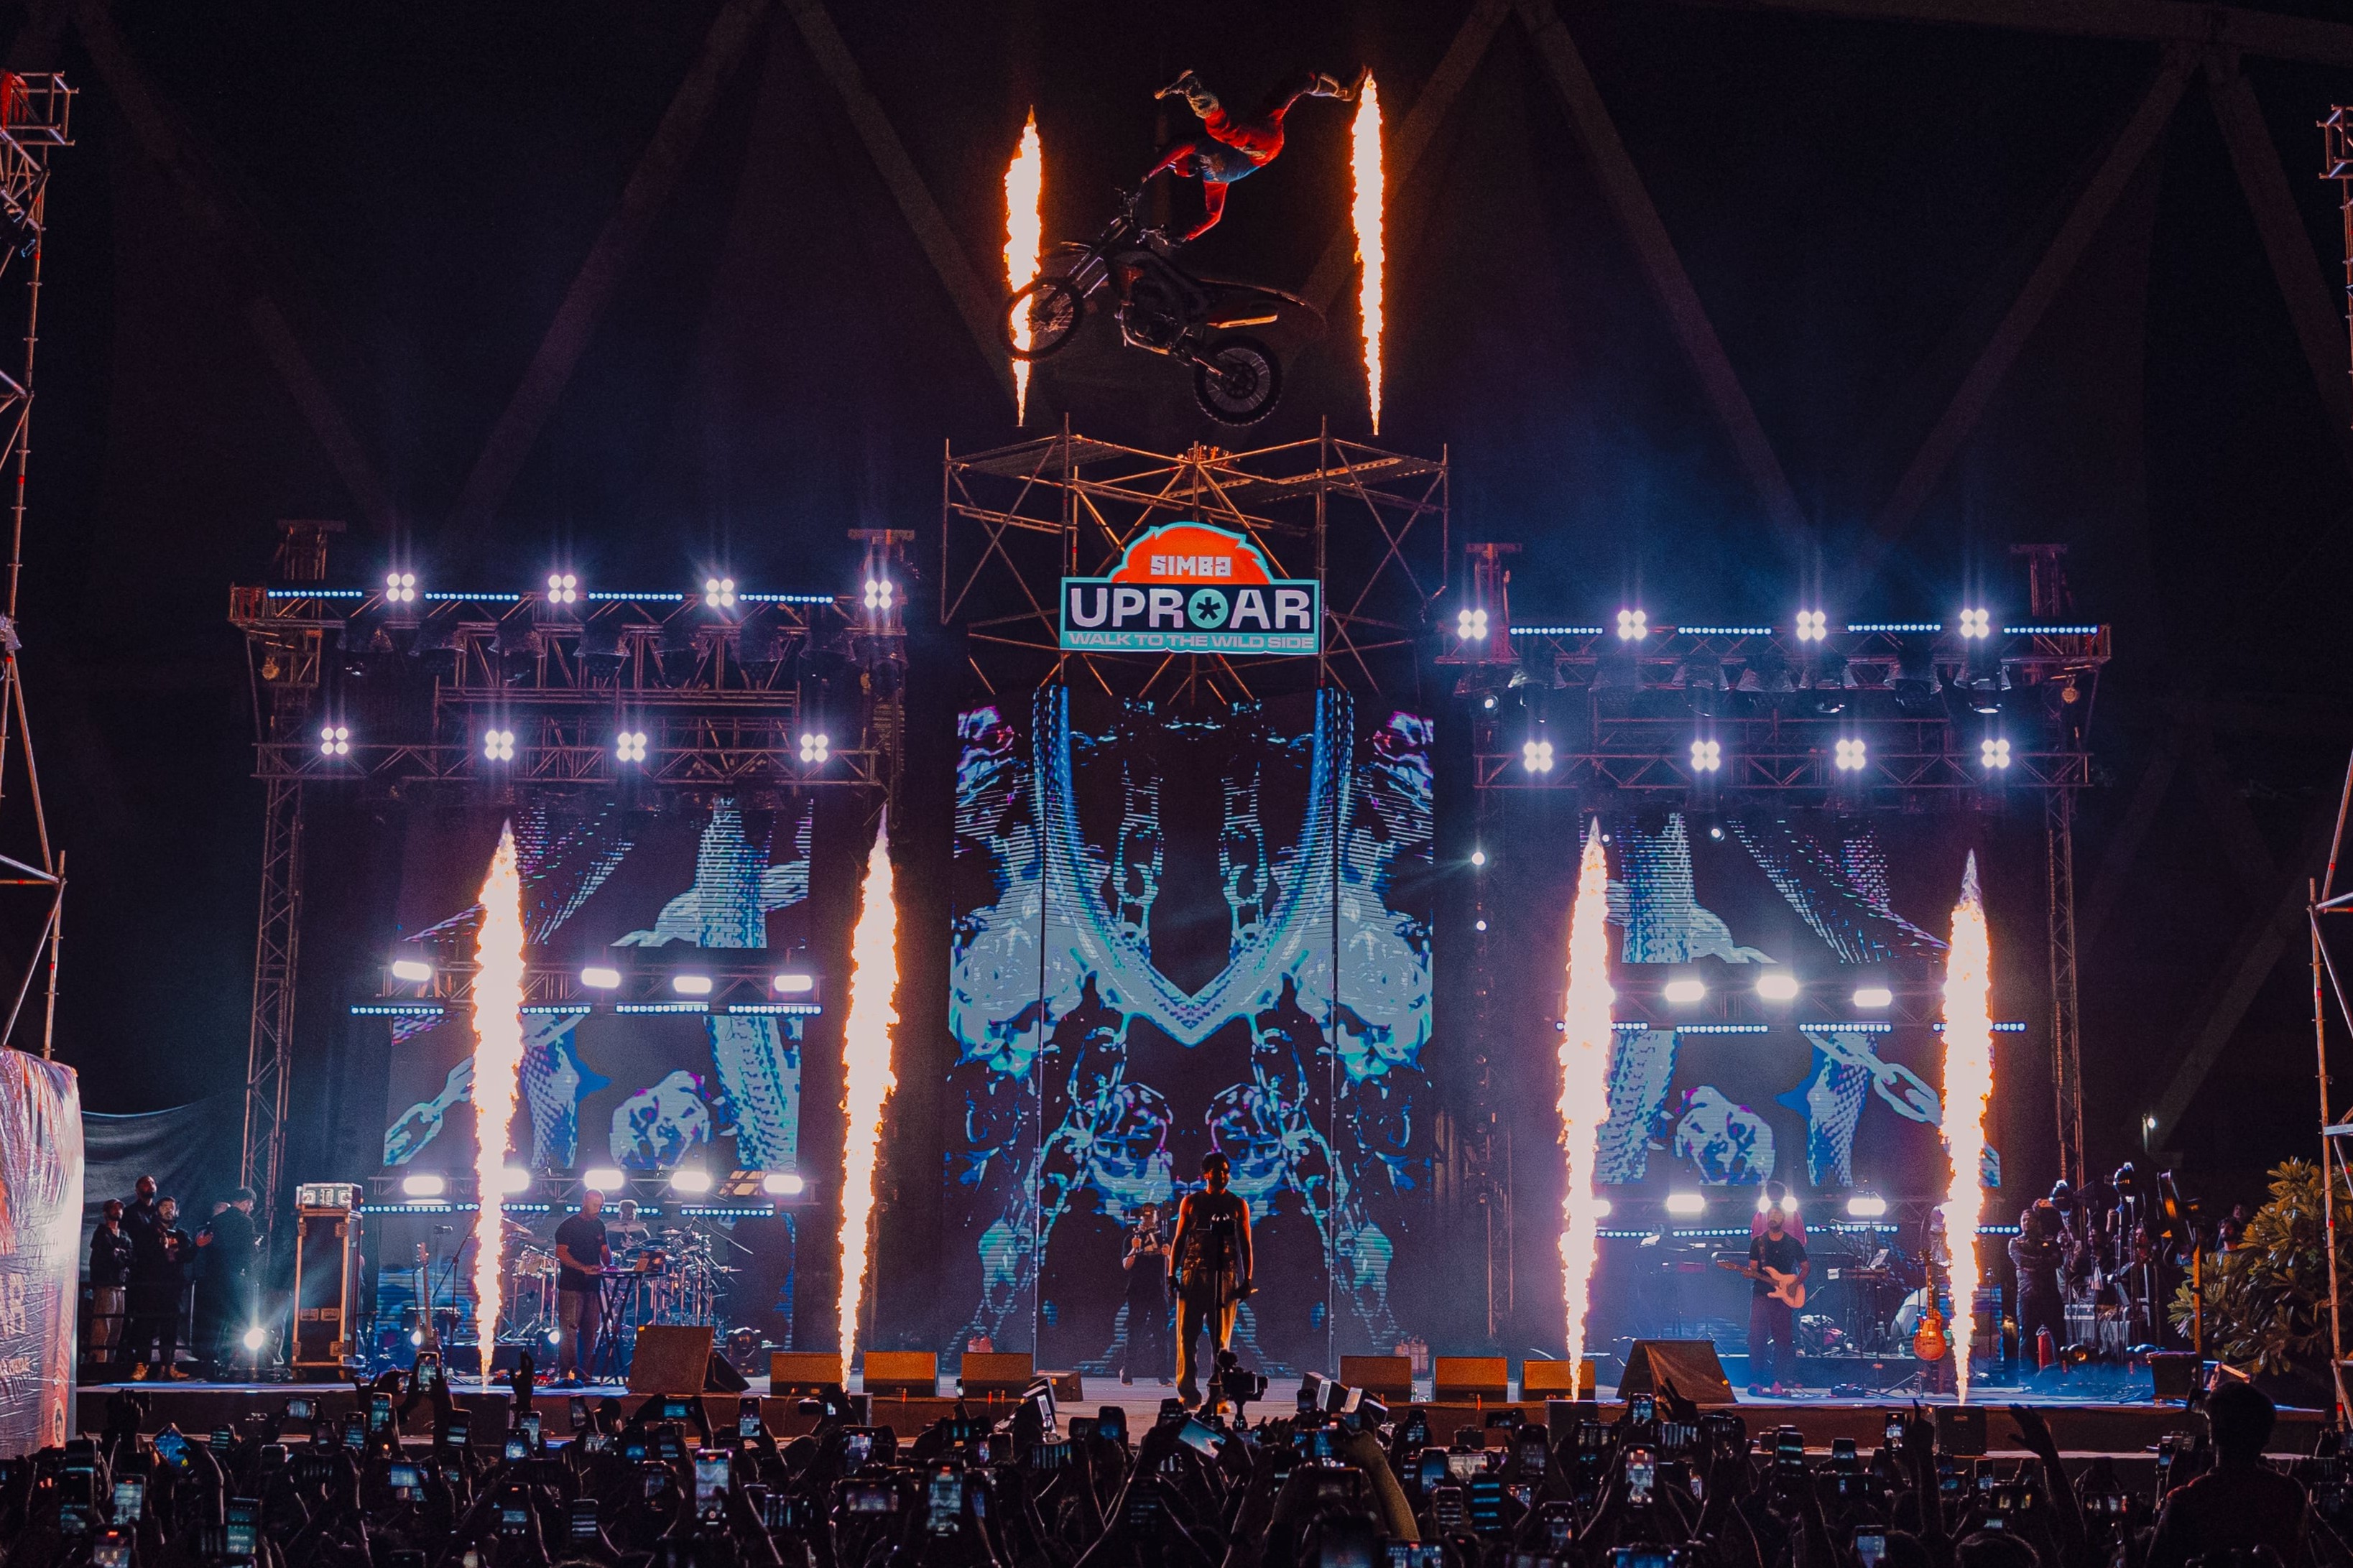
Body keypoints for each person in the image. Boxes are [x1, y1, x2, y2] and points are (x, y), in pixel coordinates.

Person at [1143, 66, 1363, 242]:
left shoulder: (1210, 176)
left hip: (1261, 130)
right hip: (1262, 148)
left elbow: (1212, 214)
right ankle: (1191, 87)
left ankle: (1344, 91)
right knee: (1221, 129)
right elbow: (1180, 147)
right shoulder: (1209, 173)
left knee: (1297, 82)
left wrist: (1187, 233)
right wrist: (1148, 174)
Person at [2146, 1381, 2308, 1568]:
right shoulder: (2290, 1493)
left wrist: (2170, 1486)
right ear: (2266, 1438)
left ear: (2212, 1435)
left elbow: (2156, 1561)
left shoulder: (2187, 1500)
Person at [1167, 1151, 1252, 1406]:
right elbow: (1179, 1240)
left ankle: (1219, 1394)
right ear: (1206, 1174)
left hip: (1225, 1274)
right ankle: (1188, 1394)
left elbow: (1245, 1244)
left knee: (1221, 1341)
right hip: (1193, 1273)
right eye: (1218, 1170)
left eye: (1226, 1170)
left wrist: (1247, 1278)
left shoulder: (1238, 1204)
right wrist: (1171, 1274)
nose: (1223, 1175)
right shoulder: (1191, 1202)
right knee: (1187, 1336)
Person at [1742, 1202, 1808, 1396]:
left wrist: (1796, 1284)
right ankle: (1757, 1381)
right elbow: (1753, 1269)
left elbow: (1805, 1267)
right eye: (1771, 1214)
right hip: (1761, 1294)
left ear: (1783, 1219)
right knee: (1756, 1339)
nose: (1773, 1217)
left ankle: (1779, 1381)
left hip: (1783, 1298)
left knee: (1783, 1340)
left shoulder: (1792, 1243)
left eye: (1777, 1215)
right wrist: (1750, 1274)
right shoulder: (1758, 1243)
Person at [194, 1186, 262, 1371]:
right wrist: (251, 1271)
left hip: (214, 1276)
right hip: (235, 1277)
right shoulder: (246, 1222)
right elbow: (246, 1254)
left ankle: (209, 1361)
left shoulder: (216, 1220)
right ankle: (232, 1361)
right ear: (247, 1202)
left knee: (215, 1320)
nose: (252, 1208)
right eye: (251, 1204)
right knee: (237, 1321)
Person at [128, 1195, 193, 1379]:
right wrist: (160, 1247)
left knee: (170, 1329)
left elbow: (187, 1256)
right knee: (145, 1329)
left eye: (172, 1207)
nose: (168, 1210)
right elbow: (142, 1256)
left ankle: (169, 1366)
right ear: (157, 1210)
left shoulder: (180, 1234)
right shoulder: (147, 1232)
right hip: (150, 1289)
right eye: (164, 1206)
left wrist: (195, 1246)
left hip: (172, 1290)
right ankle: (141, 1366)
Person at [553, 1189, 611, 1384]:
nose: (598, 1210)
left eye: (601, 1206)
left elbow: (604, 1250)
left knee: (591, 1330)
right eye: (595, 1205)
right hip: (572, 1285)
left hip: (592, 1285)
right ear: (585, 1202)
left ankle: (586, 1373)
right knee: (569, 1330)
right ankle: (567, 1373)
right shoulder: (568, 1226)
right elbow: (561, 1253)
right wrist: (583, 1268)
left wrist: (609, 1264)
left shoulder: (599, 1225)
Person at [2009, 1200, 2066, 1363]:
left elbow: (2058, 1260)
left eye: (2029, 1220)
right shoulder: (2016, 1242)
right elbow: (2022, 1261)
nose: (2026, 1223)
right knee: (2027, 1335)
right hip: (2028, 1296)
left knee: (2059, 1335)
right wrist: (2043, 1262)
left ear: (2037, 1222)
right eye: (2023, 1220)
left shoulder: (2049, 1241)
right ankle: (2027, 1376)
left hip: (2050, 1295)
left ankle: (2062, 1371)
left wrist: (2038, 1263)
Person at [1119, 1201, 1170, 1386]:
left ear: (1157, 1217)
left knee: (1160, 1333)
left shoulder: (1164, 1238)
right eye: (1145, 1215)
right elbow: (1126, 1265)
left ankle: (1163, 1375)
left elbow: (1172, 1267)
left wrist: (1168, 1254)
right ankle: (1127, 1371)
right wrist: (1134, 1248)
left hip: (1157, 1290)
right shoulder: (1131, 1237)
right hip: (1137, 1290)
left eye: (1151, 1215)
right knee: (1135, 1332)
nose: (1148, 1218)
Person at [87, 1200, 134, 1374]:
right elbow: (105, 1257)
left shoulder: (125, 1235)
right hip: (106, 1284)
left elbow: (130, 1257)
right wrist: (118, 1256)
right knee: (102, 1325)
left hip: (120, 1284)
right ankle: (98, 1364)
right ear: (107, 1212)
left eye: (120, 1208)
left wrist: (119, 1255)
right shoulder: (102, 1234)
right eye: (114, 1208)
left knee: (116, 1326)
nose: (118, 1210)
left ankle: (110, 1365)